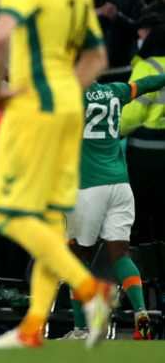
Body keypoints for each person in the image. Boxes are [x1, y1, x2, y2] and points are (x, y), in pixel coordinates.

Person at [0, 0, 114, 350]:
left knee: (12, 215)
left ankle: (91, 290)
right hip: (66, 107)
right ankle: (32, 327)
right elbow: (97, 56)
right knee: (51, 225)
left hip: (32, 106)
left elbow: (0, 36)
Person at [62, 73, 165, 341]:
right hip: (120, 185)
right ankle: (141, 311)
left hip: (87, 187)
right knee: (121, 255)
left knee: (77, 258)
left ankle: (80, 329)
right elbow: (145, 84)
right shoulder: (115, 91)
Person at [119, 23, 165, 245]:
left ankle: (145, 275)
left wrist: (112, 131)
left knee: (139, 221)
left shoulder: (149, 66)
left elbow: (132, 115)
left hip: (146, 158)